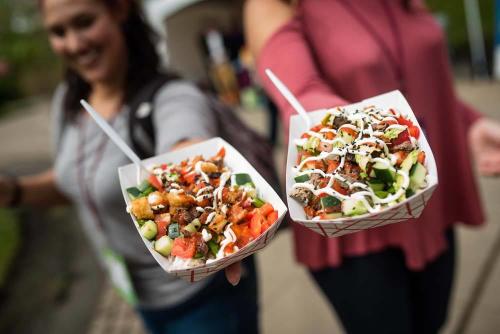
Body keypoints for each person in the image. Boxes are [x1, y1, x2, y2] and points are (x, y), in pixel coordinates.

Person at [0, 0, 257, 333]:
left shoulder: (173, 97)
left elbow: (186, 141)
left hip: (205, 296)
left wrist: (191, 163)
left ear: (119, 10)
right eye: (58, 31)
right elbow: (75, 185)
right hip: (140, 298)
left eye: (84, 22)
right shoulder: (68, 101)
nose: (75, 43)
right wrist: (13, 191)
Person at [244, 0, 500, 333]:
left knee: (433, 323)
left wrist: (470, 123)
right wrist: (357, 134)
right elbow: (302, 91)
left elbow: (423, 79)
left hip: (425, 196)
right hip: (352, 217)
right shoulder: (275, 4)